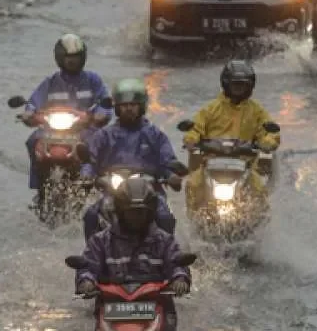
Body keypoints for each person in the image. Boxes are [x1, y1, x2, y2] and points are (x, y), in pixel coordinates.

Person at [73, 187, 191, 331]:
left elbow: (176, 263)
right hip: (112, 307)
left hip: (156, 306)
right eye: (132, 213)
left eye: (141, 213)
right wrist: (86, 281)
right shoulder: (101, 241)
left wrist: (180, 279)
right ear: (120, 212)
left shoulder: (164, 241)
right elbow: (88, 265)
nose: (137, 218)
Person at [81, 79, 182, 241]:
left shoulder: (154, 134)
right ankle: (92, 258)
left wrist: (172, 175)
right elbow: (90, 160)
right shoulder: (104, 135)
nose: (129, 108)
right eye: (124, 104)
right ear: (117, 107)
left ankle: (169, 257)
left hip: (150, 193)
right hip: (113, 192)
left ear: (141, 106)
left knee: (165, 217)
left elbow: (167, 160)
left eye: (133, 104)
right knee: (91, 216)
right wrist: (86, 175)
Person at [21, 34, 111, 207]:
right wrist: (29, 113)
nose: (72, 61)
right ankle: (38, 184)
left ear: (83, 57)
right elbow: (34, 101)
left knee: (99, 142)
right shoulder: (51, 82)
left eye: (76, 57)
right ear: (60, 58)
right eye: (68, 58)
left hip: (84, 129)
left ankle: (94, 178)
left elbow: (104, 102)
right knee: (33, 140)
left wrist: (100, 114)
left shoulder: (93, 80)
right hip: (52, 130)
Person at [181, 61, 281, 208]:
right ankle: (194, 221)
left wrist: (267, 142)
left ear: (250, 86)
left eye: (243, 85)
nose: (239, 88)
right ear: (226, 84)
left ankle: (258, 223)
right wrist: (191, 139)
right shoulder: (210, 109)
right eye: (235, 84)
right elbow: (195, 128)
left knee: (259, 190)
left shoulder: (257, 111)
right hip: (211, 163)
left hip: (245, 165)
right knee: (193, 184)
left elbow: (269, 132)